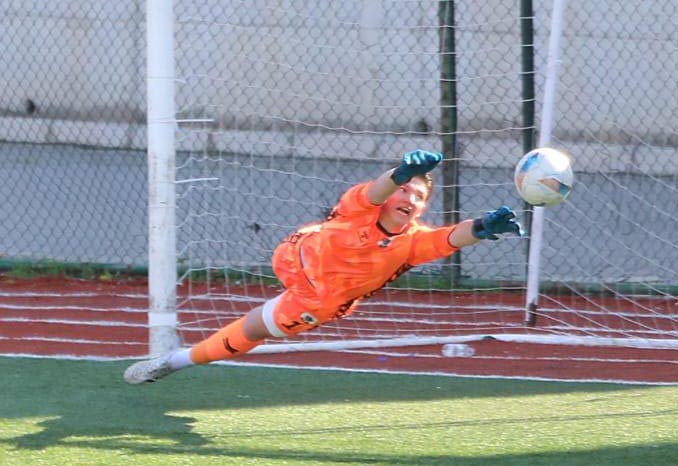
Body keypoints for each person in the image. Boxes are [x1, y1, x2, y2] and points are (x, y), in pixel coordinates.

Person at [124, 149, 523, 384]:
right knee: (316, 241)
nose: (409, 198)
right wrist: (399, 172)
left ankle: (173, 361)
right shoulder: (358, 207)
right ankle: (177, 358)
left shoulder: (413, 242)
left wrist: (483, 227)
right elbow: (374, 190)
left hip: (318, 300)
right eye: (404, 190)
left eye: (418, 196)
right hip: (293, 255)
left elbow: (449, 237)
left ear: (422, 208)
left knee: (250, 333)